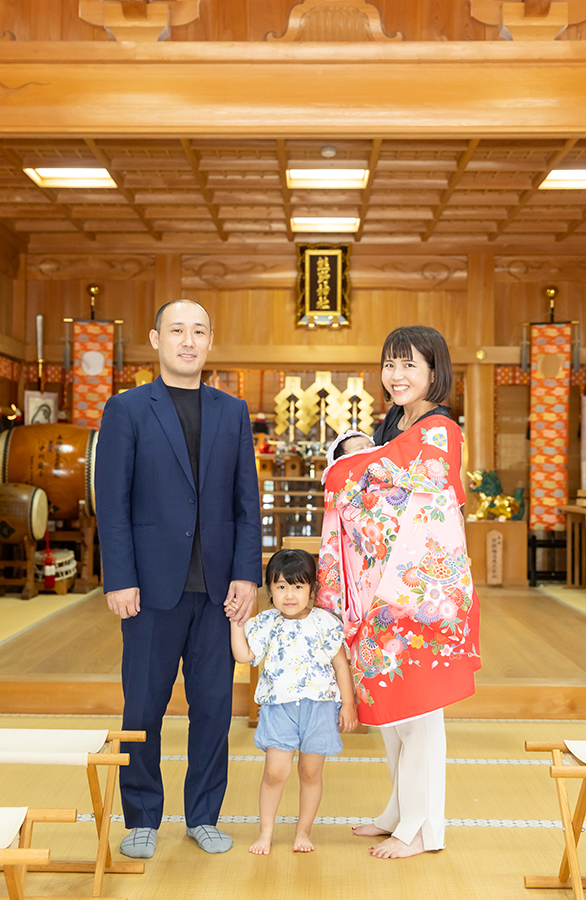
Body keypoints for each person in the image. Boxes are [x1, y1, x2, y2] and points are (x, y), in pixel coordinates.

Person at [95, 299, 262, 858]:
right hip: (149, 588)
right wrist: (118, 577)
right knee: (142, 705)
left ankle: (203, 814)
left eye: (198, 332)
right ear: (155, 339)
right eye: (176, 331)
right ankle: (141, 815)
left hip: (217, 591)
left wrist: (247, 575)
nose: (187, 341)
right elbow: (112, 503)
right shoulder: (127, 409)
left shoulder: (232, 410)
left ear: (210, 341)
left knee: (214, 706)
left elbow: (246, 503)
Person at [316, 325, 480, 860]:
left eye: (410, 364)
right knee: (391, 711)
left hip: (416, 593)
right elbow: (375, 486)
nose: (397, 375)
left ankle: (424, 827)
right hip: (380, 592)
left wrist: (347, 470)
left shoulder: (439, 430)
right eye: (390, 364)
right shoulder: (394, 425)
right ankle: (397, 810)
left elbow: (418, 504)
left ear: (435, 370)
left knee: (421, 713)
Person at [229, 548, 357, 855]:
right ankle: (266, 832)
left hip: (320, 707)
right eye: (281, 586)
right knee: (275, 772)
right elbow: (245, 656)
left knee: (310, 773)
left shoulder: (326, 623)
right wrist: (236, 623)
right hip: (279, 707)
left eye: (298, 586)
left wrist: (349, 704)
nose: (289, 594)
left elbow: (341, 665)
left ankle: (303, 831)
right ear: (270, 590)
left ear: (312, 590)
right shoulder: (264, 623)